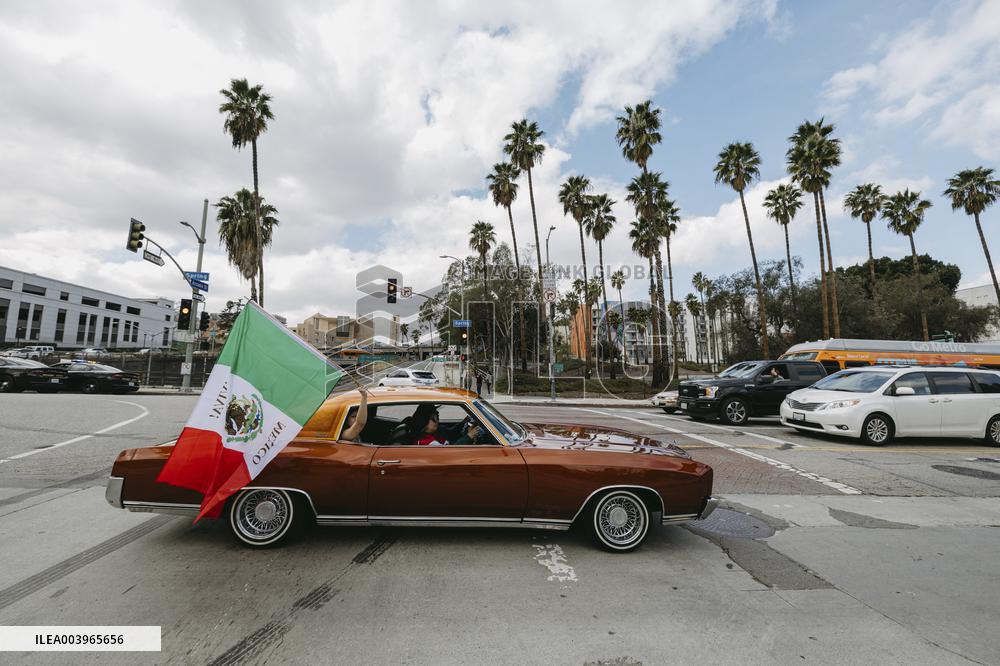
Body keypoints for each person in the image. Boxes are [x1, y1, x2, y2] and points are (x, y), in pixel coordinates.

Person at [409, 404, 480, 445]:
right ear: (424, 422)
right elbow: (451, 452)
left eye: (437, 416)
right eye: (434, 418)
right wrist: (469, 436)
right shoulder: (428, 443)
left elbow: (450, 433)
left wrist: (464, 423)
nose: (437, 420)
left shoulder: (434, 434)